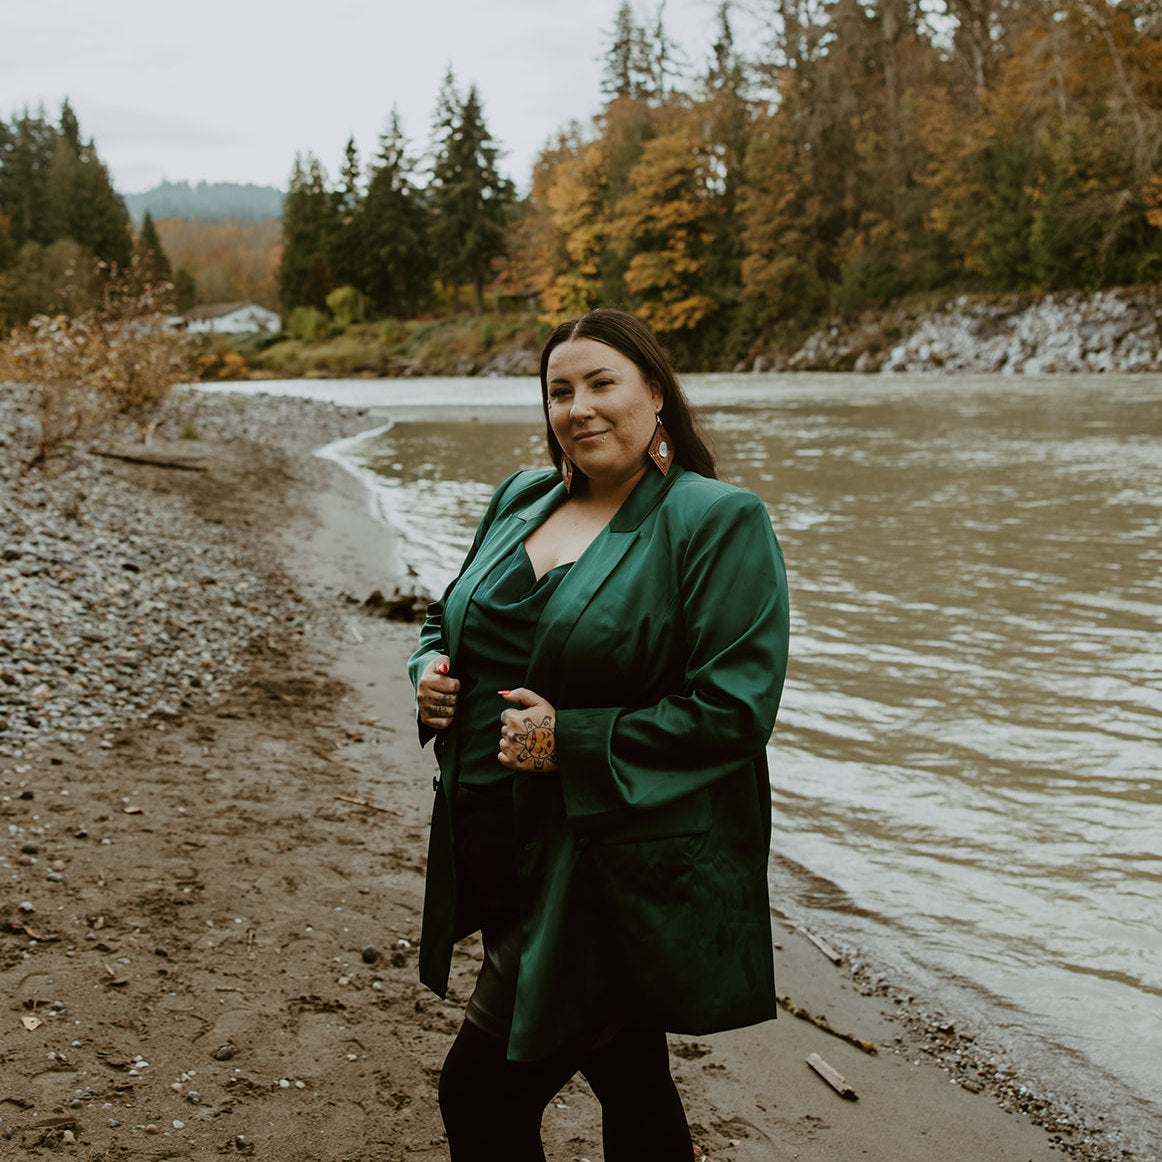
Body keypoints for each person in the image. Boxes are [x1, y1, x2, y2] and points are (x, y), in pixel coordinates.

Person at [409, 308, 789, 1160]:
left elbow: (736, 708)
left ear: (655, 393)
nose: (578, 408)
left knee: (480, 1095)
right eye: (559, 391)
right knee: (629, 1071)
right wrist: (427, 674)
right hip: (495, 842)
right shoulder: (521, 498)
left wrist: (569, 741)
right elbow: (446, 618)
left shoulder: (715, 519)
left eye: (601, 383)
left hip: (602, 865)